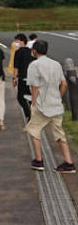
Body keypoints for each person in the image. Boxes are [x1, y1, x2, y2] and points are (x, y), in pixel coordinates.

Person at [25, 40, 76, 173]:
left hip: (41, 105)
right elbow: (64, 84)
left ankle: (38, 160)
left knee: (34, 130)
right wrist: (58, 97)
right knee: (60, 134)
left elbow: (34, 87)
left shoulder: (34, 65)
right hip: (56, 104)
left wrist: (34, 103)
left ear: (34, 51)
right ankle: (69, 163)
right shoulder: (56, 64)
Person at [12, 33, 33, 120]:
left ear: (21, 41)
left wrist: (14, 78)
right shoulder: (31, 51)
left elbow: (16, 67)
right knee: (30, 96)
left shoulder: (18, 52)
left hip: (22, 78)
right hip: (32, 78)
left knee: (20, 97)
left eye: (16, 41)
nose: (15, 43)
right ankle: (33, 113)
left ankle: (28, 113)